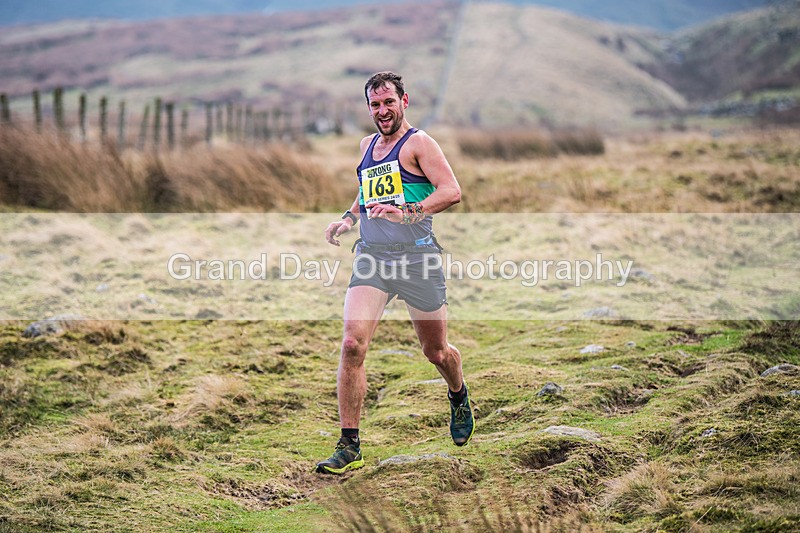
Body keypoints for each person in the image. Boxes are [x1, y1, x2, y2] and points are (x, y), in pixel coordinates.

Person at [316, 71, 474, 475]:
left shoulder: (419, 143)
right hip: (373, 257)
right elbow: (367, 192)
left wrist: (409, 214)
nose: (382, 111)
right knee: (353, 344)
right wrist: (348, 218)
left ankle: (457, 393)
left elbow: (451, 191)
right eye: (375, 104)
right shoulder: (368, 145)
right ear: (368, 107)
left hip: (418, 258)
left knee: (436, 352)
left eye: (389, 102)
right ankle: (349, 444)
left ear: (405, 101)